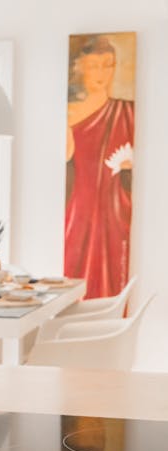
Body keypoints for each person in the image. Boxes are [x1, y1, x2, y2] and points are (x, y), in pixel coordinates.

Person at [65, 35, 135, 300]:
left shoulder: (125, 112)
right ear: (80, 67)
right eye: (94, 65)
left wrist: (127, 171)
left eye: (108, 64)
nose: (102, 73)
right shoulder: (69, 117)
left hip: (113, 213)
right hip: (78, 213)